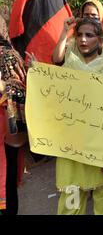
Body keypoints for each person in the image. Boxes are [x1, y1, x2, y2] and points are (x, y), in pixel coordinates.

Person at [52, 17, 103, 215]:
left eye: (89, 35)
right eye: (79, 35)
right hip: (72, 145)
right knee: (71, 195)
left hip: (101, 146)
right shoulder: (68, 66)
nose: (83, 40)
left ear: (100, 40)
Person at [0, 21, 28, 215]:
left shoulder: (7, 55)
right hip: (8, 128)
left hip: (6, 127)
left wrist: (3, 87)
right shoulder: (10, 53)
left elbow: (18, 90)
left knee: (7, 180)